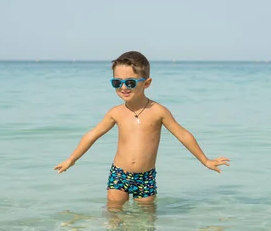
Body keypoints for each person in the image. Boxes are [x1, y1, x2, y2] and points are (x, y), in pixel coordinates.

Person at [54, 51, 230, 204]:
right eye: (117, 83)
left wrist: (205, 160)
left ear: (146, 83)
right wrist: (72, 159)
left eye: (130, 83)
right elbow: (92, 135)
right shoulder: (115, 113)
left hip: (146, 177)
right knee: (114, 216)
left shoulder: (158, 111)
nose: (123, 87)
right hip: (119, 174)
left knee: (145, 220)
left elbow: (183, 135)